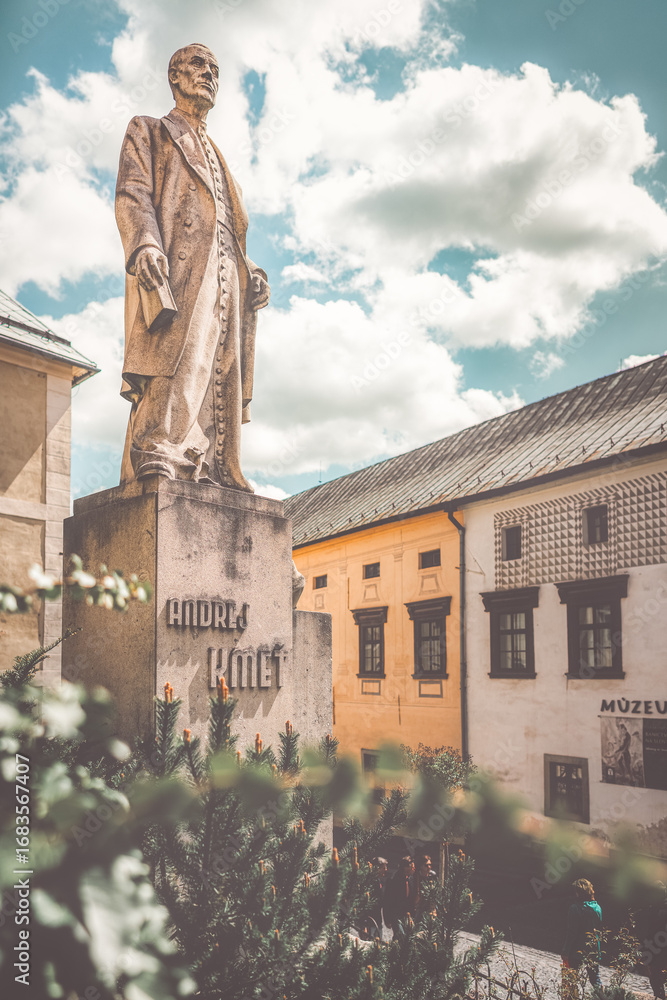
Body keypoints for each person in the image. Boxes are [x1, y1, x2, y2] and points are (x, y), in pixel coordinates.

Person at [115, 44, 270, 489]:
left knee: (219, 364)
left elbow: (226, 227)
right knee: (179, 355)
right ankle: (159, 448)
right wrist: (145, 243)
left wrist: (251, 271)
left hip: (226, 278)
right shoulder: (149, 129)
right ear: (175, 76)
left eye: (215, 69)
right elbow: (132, 193)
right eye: (198, 65)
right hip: (178, 266)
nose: (209, 75)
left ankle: (217, 465)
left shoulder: (221, 157)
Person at [561, 879, 603, 990]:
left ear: (578, 893)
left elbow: (572, 932)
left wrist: (565, 951)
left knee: (571, 978)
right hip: (593, 949)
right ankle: (603, 996)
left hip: (577, 950)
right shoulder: (598, 908)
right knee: (595, 979)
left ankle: (572, 997)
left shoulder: (575, 909)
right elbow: (599, 930)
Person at [635, 882, 667, 1000]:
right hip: (658, 948)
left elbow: (645, 932)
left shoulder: (650, 911)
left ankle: (660, 996)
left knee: (655, 976)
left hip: (655, 949)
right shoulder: (653, 910)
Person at [384, 856, 416, 937]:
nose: (414, 869)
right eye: (412, 867)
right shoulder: (394, 880)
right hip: (396, 915)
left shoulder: (411, 879)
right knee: (400, 935)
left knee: (408, 936)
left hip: (407, 914)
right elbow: (387, 901)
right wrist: (387, 919)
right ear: (406, 868)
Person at [415, 853, 437, 920]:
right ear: (421, 866)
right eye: (426, 865)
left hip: (429, 904)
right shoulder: (416, 876)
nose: (429, 867)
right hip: (419, 904)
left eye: (430, 865)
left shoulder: (433, 875)